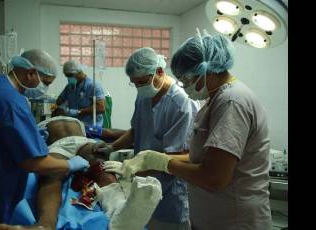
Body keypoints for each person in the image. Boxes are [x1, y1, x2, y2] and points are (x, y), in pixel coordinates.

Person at [104, 31, 272, 230]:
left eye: (186, 78)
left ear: (206, 70)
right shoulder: (216, 100)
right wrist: (149, 159)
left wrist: (164, 163)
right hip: (212, 216)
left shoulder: (231, 102)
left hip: (234, 220)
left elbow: (215, 177)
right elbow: (201, 157)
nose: (183, 85)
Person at [0, 49, 90, 230]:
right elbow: (35, 163)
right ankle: (45, 225)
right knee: (51, 178)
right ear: (30, 73)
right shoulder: (13, 102)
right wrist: (70, 165)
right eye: (45, 83)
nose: (44, 89)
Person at [0, 116, 163, 230]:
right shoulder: (72, 123)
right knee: (60, 173)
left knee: (89, 169)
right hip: (78, 143)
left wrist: (116, 144)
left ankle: (45, 225)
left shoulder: (48, 124)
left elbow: (112, 134)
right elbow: (110, 132)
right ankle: (45, 225)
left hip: (70, 144)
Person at [95, 47, 196, 230]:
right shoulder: (144, 96)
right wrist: (112, 148)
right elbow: (136, 130)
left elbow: (177, 155)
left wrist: (131, 169)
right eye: (134, 83)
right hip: (142, 184)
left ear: (159, 71)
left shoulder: (181, 104)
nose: (139, 87)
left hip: (170, 192)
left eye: (141, 82)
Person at [55, 60, 106, 127]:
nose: (69, 78)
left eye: (70, 76)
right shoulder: (70, 86)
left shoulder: (93, 86)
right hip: (74, 126)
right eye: (67, 76)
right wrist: (62, 107)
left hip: (91, 127)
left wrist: (78, 112)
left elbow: (101, 108)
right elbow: (59, 100)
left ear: (79, 72)